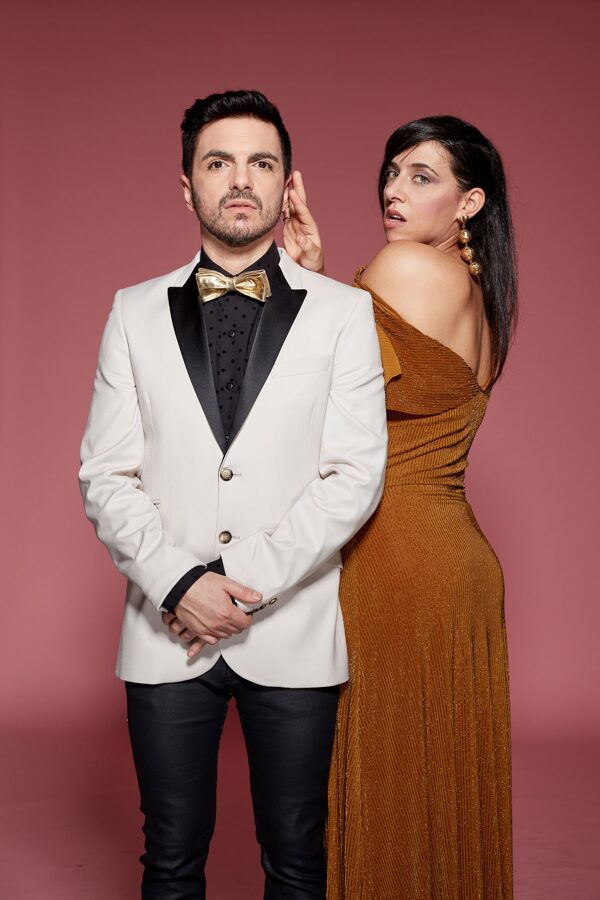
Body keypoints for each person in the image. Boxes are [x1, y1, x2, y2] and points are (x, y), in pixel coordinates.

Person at [79, 89, 387, 900]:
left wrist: (231, 583)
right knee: (170, 860)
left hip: (293, 628)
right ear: (188, 186)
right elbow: (105, 473)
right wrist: (180, 584)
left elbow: (355, 475)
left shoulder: (346, 313)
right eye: (219, 163)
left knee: (298, 861)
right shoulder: (131, 312)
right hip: (165, 630)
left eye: (261, 163)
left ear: (287, 185)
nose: (241, 179)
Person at [284, 116, 517, 900]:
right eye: (391, 172)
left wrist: (303, 285)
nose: (393, 190)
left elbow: (312, 411)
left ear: (469, 202)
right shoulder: (480, 299)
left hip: (396, 555)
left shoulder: (403, 267)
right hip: (459, 561)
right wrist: (321, 282)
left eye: (422, 176)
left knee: (384, 786)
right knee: (435, 796)